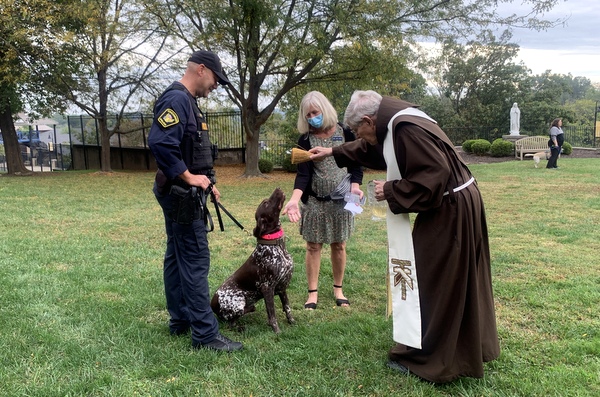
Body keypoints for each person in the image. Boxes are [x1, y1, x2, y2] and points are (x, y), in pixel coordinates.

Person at [309, 90, 500, 383]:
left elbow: (434, 175)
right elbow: (371, 149)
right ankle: (462, 347)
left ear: (370, 121)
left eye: (359, 130)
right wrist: (333, 152)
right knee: (449, 277)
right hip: (455, 203)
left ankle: (429, 358)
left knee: (432, 278)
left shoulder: (406, 128)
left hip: (451, 208)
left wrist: (392, 190)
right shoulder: (398, 120)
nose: (360, 136)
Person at [148, 50, 242, 352]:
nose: (216, 86)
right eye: (216, 79)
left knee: (177, 256)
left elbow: (192, 150)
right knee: (195, 258)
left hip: (186, 193)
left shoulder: (189, 103)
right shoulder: (177, 100)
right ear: (201, 69)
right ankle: (204, 334)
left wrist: (207, 183)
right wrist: (189, 178)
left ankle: (181, 320)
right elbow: (161, 143)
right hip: (180, 195)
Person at [282, 91, 363, 310]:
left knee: (339, 244)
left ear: (324, 110)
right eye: (307, 115)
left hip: (342, 200)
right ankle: (312, 293)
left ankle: (338, 289)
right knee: (313, 246)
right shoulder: (305, 140)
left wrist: (356, 186)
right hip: (315, 202)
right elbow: (303, 175)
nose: (311, 118)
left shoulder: (344, 132)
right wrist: (294, 200)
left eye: (315, 112)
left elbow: (356, 163)